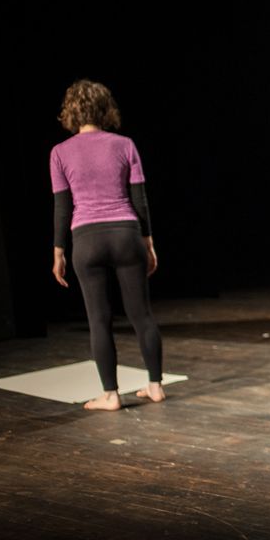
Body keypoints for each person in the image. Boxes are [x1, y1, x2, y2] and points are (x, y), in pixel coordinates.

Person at [50, 79, 166, 410]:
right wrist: (148, 243)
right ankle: (155, 386)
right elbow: (140, 200)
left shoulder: (59, 152)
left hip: (86, 240)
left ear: (71, 112)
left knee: (99, 320)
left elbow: (62, 207)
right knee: (142, 315)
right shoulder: (125, 144)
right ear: (105, 109)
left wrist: (58, 251)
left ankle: (111, 395)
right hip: (126, 234)